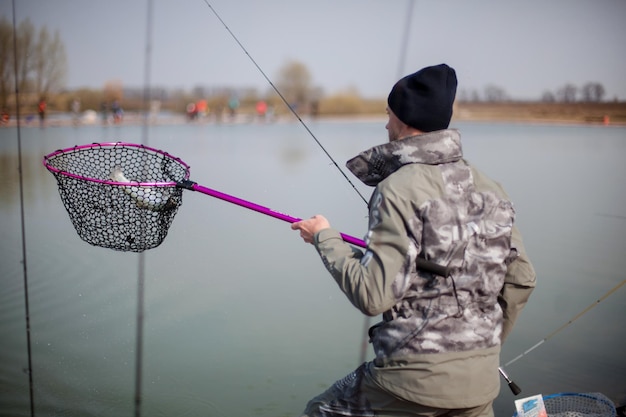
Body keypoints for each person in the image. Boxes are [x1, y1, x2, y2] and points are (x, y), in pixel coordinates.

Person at [291, 64, 536, 417]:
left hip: (410, 383)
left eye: (388, 115)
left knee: (319, 411)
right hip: (481, 386)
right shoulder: (492, 189)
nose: (386, 124)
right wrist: (481, 348)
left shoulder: (397, 188)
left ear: (405, 119)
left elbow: (372, 295)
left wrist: (324, 238)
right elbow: (522, 280)